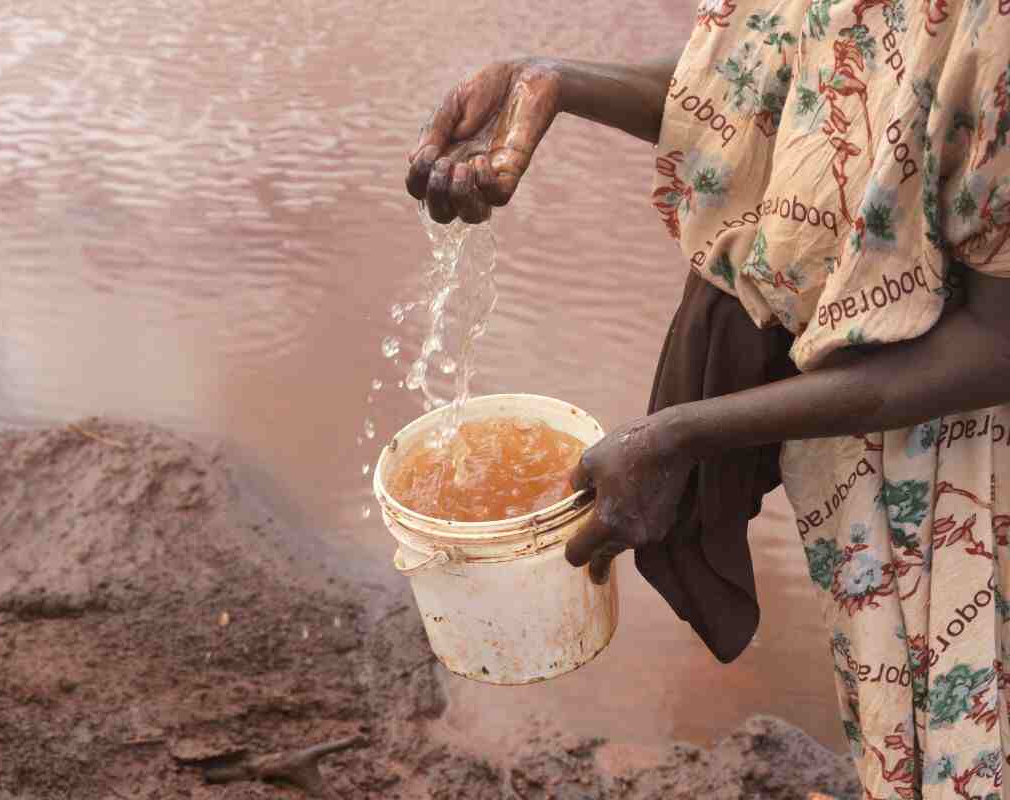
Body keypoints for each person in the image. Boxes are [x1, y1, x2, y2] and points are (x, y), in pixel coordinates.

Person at [406, 3, 1010, 795]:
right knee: (902, 731)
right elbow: (772, 98)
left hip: (965, 465)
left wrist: (688, 434)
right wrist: (548, 80)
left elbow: (997, 341)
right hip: (860, 429)